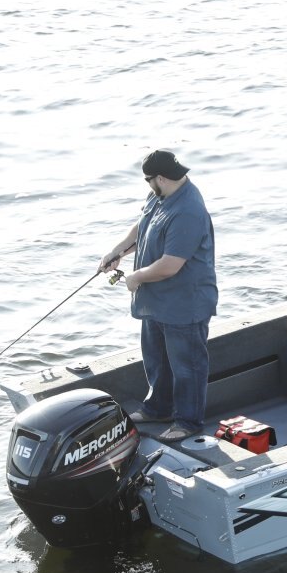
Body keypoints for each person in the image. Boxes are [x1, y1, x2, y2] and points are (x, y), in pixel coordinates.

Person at [98, 150, 219, 442]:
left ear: (161, 178)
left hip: (184, 304)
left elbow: (170, 265)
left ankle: (188, 422)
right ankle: (158, 409)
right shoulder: (160, 195)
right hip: (156, 302)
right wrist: (117, 252)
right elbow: (142, 225)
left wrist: (136, 278)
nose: (148, 184)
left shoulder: (188, 210)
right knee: (156, 360)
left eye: (148, 180)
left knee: (186, 367)